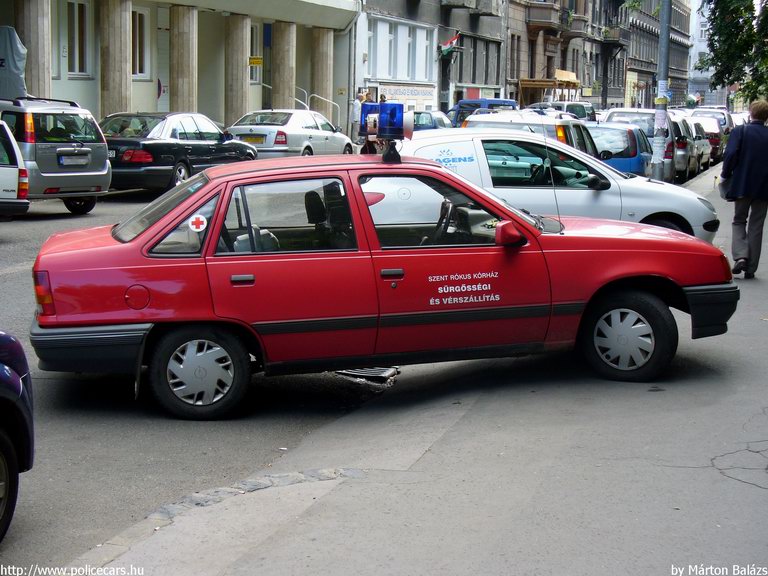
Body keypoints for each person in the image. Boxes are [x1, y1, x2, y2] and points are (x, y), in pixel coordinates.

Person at [720, 99, 768, 279]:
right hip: (764, 187)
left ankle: (741, 256)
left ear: (751, 112)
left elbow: (731, 154)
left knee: (739, 220)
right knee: (757, 224)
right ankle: (751, 268)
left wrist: (725, 174)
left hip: (742, 183)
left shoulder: (741, 131)